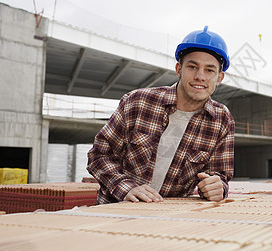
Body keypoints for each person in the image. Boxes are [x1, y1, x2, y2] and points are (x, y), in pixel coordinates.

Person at [87, 26, 235, 204]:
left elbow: (219, 176)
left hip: (170, 219)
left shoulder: (222, 120)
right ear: (179, 69)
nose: (200, 76)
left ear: (220, 78)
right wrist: (126, 188)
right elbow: (99, 155)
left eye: (210, 70)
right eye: (192, 66)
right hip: (115, 210)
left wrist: (218, 187)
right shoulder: (137, 102)